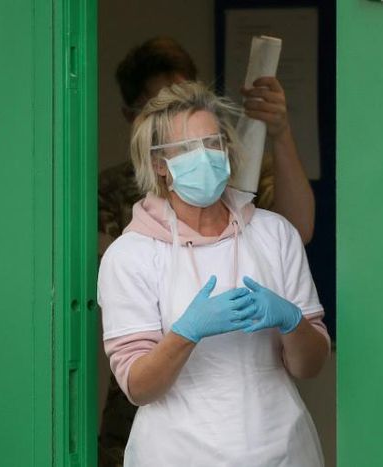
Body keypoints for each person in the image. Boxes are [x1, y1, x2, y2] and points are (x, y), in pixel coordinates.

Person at [97, 37, 317, 466]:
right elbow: (138, 385)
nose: (206, 157)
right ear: (160, 164)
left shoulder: (273, 234)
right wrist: (186, 332)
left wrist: (292, 321)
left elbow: (309, 366)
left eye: (213, 143)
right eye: (187, 149)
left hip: (282, 450)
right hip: (176, 452)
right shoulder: (131, 254)